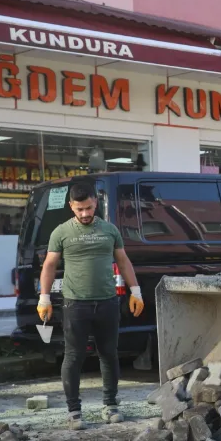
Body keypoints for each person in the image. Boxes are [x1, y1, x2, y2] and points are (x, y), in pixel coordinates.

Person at [37, 183, 143, 427]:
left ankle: (111, 405)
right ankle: (74, 412)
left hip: (107, 302)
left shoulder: (110, 230)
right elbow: (50, 265)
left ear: (96, 203)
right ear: (71, 206)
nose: (84, 214)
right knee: (73, 357)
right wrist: (44, 298)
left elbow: (123, 261)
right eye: (79, 209)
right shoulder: (61, 232)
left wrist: (135, 291)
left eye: (88, 208)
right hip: (76, 305)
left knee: (109, 354)